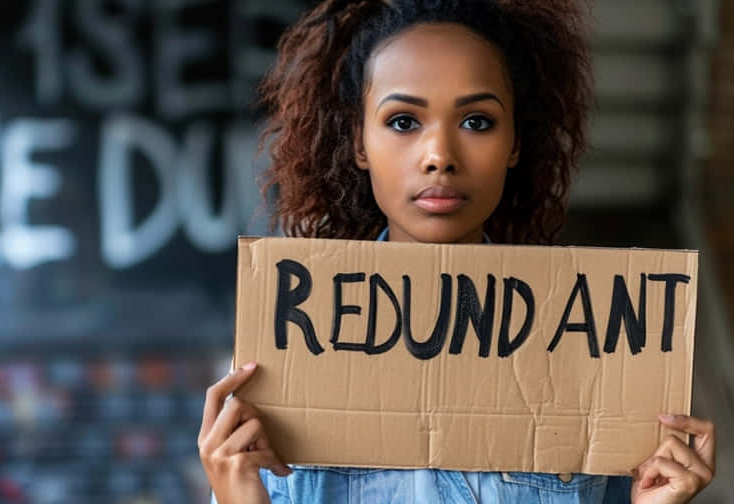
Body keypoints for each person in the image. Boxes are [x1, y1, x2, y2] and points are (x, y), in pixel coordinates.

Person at [198, 0, 717, 502]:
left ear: (515, 142)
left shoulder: (599, 350)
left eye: (477, 122)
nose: (440, 156)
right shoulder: (281, 355)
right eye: (403, 121)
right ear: (359, 142)